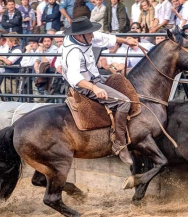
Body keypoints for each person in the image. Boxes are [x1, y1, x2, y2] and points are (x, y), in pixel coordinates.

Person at [60, 16, 139, 165]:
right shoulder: (73, 52)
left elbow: (103, 37)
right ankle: (120, 144)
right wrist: (94, 88)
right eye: (89, 33)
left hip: (94, 77)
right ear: (79, 35)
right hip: (85, 84)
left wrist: (126, 41)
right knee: (124, 102)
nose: (92, 35)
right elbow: (74, 77)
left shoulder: (84, 38)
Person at [0, 32, 23, 101]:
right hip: (7, 76)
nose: (7, 43)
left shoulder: (17, 50)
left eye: (8, 41)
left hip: (14, 78)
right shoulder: (10, 50)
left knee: (16, 97)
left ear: (13, 41)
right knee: (1, 95)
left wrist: (1, 58)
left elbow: (9, 62)